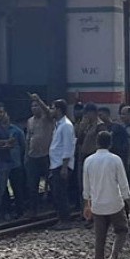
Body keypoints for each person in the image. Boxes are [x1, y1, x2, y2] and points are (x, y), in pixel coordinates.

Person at [83, 131, 130, 259]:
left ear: (97, 143)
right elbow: (123, 184)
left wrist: (87, 204)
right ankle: (113, 257)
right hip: (115, 204)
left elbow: (86, 187)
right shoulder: (115, 160)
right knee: (122, 230)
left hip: (98, 206)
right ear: (110, 144)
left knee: (100, 239)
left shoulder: (88, 161)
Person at [76, 103, 107, 223]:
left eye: (87, 113)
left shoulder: (100, 126)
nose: (85, 116)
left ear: (93, 112)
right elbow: (79, 139)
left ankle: (93, 215)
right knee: (83, 188)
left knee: (93, 188)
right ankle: (85, 213)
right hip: (84, 158)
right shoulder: (87, 126)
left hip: (94, 159)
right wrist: (82, 127)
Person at [25, 94, 55, 217]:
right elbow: (28, 137)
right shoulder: (30, 121)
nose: (34, 108)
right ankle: (33, 210)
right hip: (33, 156)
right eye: (33, 106)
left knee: (52, 182)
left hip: (46, 155)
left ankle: (53, 207)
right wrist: (26, 154)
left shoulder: (47, 118)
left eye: (37, 106)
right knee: (32, 185)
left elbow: (48, 111)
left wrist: (39, 99)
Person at [49, 98, 76, 229]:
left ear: (59, 110)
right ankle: (61, 218)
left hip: (61, 164)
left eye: (53, 108)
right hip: (56, 164)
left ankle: (65, 220)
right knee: (57, 193)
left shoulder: (66, 126)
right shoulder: (59, 124)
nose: (51, 110)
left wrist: (65, 167)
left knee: (61, 193)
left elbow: (67, 147)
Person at [6, 119, 27, 218]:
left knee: (18, 189)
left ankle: (20, 211)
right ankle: (7, 211)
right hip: (3, 164)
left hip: (16, 163)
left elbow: (23, 146)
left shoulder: (17, 131)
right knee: (3, 191)